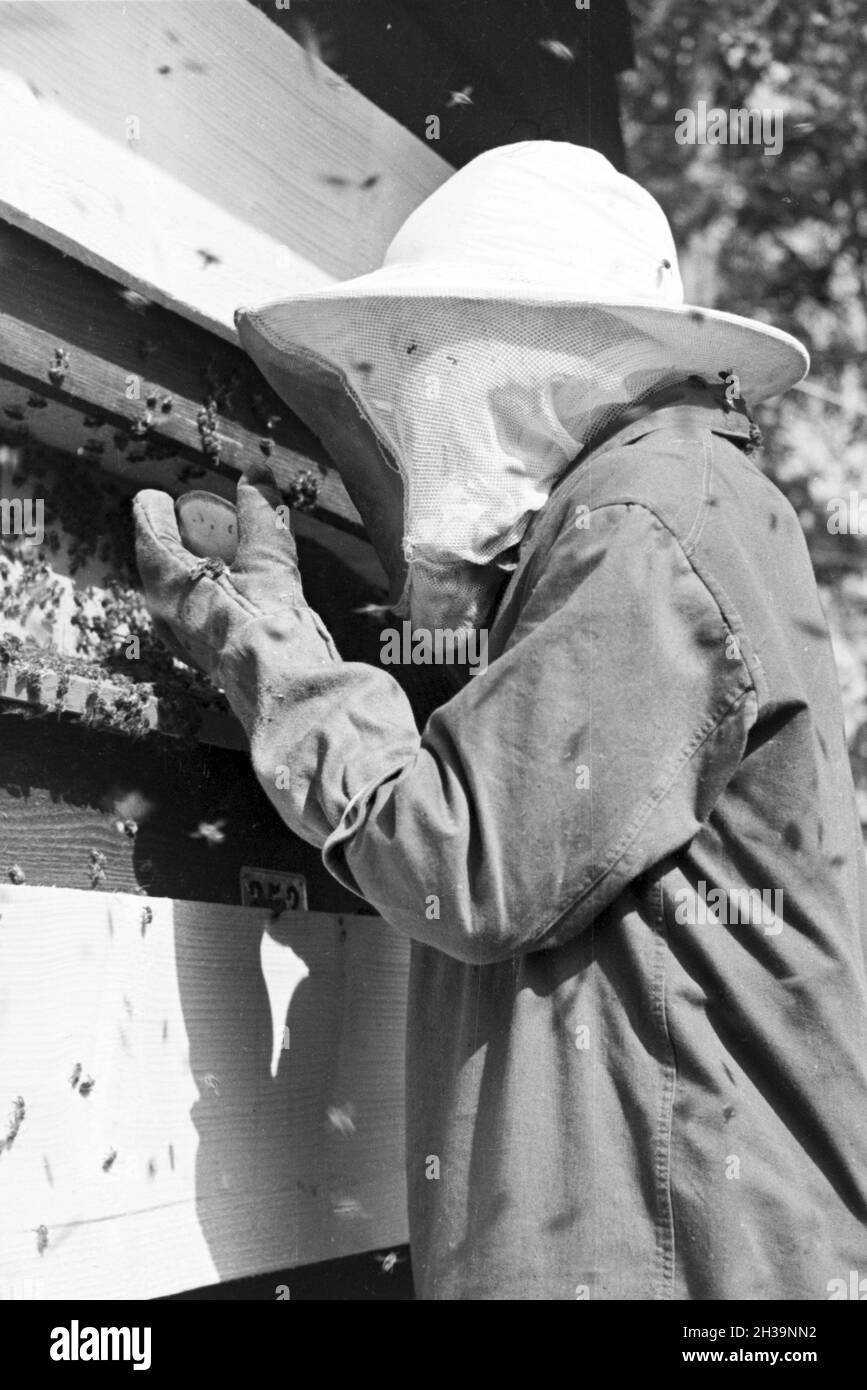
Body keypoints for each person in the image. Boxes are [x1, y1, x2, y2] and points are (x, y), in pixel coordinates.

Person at [134, 142, 867, 1300]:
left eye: (432, 352)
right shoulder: (653, 513)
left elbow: (461, 857)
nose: (416, 390)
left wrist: (262, 637)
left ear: (542, 346)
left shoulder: (653, 517)